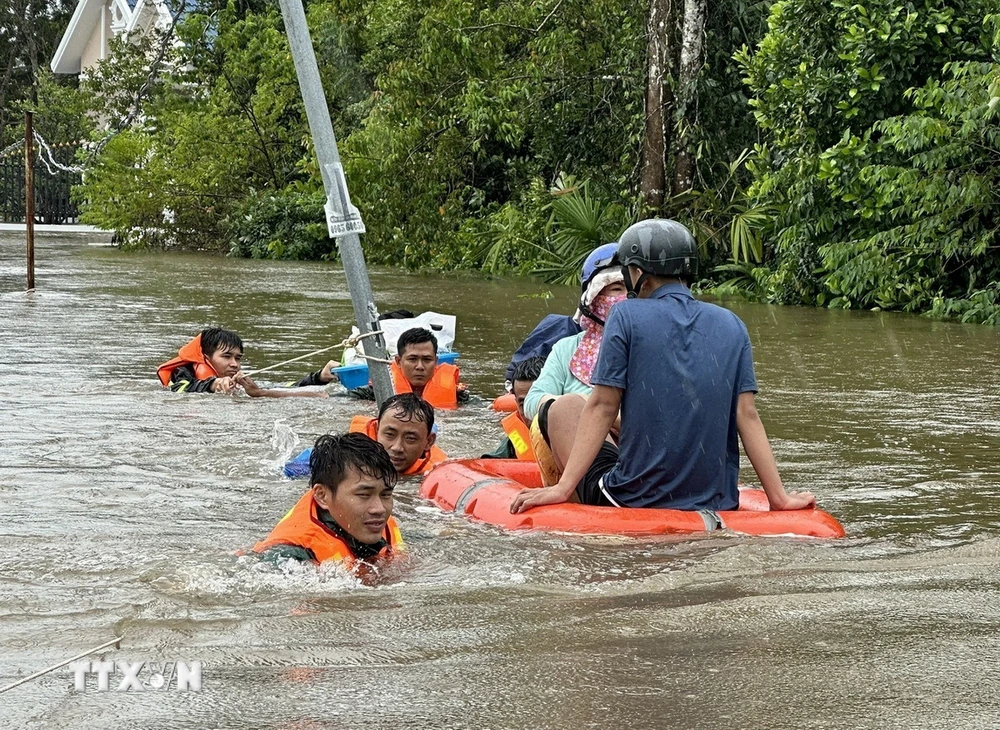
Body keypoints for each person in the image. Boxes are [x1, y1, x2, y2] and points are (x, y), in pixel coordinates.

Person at [510, 219, 815, 514]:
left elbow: (603, 406)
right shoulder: (732, 324)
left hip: (634, 499)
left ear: (638, 272)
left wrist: (562, 488)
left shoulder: (626, 316)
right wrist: (779, 498)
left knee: (565, 407)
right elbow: (746, 416)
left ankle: (577, 498)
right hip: (718, 500)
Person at [254, 433, 404, 571]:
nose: (379, 509)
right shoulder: (290, 557)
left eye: (385, 494)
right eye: (364, 494)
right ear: (322, 496)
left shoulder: (371, 520)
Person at [283, 394, 448, 478]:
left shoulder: (439, 470)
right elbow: (287, 471)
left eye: (410, 438)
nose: (397, 447)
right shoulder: (340, 457)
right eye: (389, 434)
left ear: (428, 442)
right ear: (376, 430)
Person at [157, 327, 334, 397]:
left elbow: (284, 386)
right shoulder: (182, 372)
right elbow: (179, 389)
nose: (234, 364)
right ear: (206, 358)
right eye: (226, 357)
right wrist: (214, 384)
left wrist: (319, 377)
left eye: (238, 358)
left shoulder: (240, 382)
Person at [481, 356, 545, 460]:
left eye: (538, 402)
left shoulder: (578, 433)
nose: (531, 412)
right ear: (516, 403)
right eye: (523, 404)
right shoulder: (514, 442)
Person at [388, 328, 467, 409]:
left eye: (427, 359)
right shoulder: (380, 389)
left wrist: (457, 396)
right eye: (412, 359)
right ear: (398, 361)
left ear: (436, 361)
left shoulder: (457, 394)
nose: (420, 366)